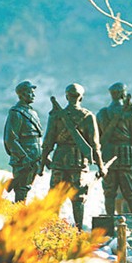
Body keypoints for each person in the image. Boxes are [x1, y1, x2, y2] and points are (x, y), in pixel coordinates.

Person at [41, 83, 105, 229]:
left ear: (66, 97)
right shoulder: (88, 116)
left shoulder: (56, 116)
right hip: (79, 162)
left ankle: (52, 232)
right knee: (78, 199)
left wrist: (42, 164)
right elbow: (95, 145)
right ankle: (78, 231)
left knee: (55, 198)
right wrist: (101, 167)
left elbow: (48, 142)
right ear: (81, 97)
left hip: (59, 160)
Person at [96, 82, 132, 216]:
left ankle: (109, 222)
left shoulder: (102, 113)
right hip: (126, 156)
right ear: (123, 94)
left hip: (108, 155)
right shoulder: (129, 113)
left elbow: (97, 138)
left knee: (109, 193)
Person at [3, 80, 43, 203]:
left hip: (35, 157)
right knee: (21, 189)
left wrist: (43, 156)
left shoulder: (33, 112)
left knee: (26, 187)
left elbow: (37, 137)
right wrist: (23, 157)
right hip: (24, 159)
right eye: (30, 92)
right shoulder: (16, 113)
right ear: (22, 94)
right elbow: (10, 139)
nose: (33, 95)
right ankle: (19, 212)